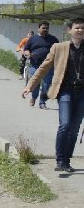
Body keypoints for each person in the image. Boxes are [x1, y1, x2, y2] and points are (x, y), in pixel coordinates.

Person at [22, 19, 84, 172]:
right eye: (77, 27)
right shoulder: (59, 47)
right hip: (65, 91)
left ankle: (66, 161)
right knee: (65, 125)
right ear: (69, 30)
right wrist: (29, 86)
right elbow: (43, 68)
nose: (80, 30)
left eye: (83, 28)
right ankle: (60, 160)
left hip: (82, 93)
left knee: (74, 129)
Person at [23, 21, 59, 109]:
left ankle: (42, 102)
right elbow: (26, 49)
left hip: (48, 67)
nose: (45, 29)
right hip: (35, 65)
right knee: (35, 84)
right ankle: (34, 97)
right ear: (38, 28)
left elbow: (58, 50)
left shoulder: (53, 39)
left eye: (47, 28)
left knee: (46, 85)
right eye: (43, 28)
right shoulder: (33, 38)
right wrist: (28, 53)